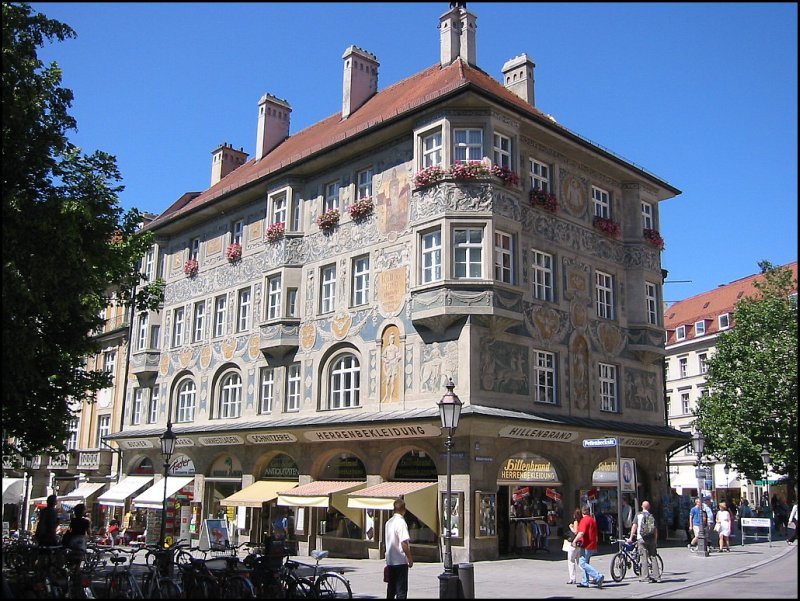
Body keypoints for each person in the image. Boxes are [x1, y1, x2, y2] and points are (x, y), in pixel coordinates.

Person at [384, 498, 413, 599]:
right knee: (401, 591)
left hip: (391, 561)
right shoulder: (401, 522)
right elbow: (404, 542)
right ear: (403, 510)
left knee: (391, 590)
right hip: (400, 561)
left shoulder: (388, 523)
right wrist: (409, 558)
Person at [571, 505, 605, 589]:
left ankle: (597, 576)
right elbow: (596, 534)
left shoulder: (584, 520)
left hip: (586, 544)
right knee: (586, 563)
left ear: (582, 512)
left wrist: (574, 541)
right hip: (592, 544)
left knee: (582, 563)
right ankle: (585, 581)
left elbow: (581, 533)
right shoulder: (592, 520)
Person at [628, 500, 661, 583]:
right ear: (649, 507)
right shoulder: (651, 516)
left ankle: (645, 577)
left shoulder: (638, 515)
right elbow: (655, 530)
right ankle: (657, 577)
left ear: (642, 506)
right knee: (653, 556)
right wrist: (655, 540)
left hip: (641, 539)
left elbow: (634, 527)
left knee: (644, 557)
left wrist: (631, 538)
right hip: (651, 539)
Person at [563, 508, 582, 585]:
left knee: (571, 561)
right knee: (579, 562)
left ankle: (572, 578)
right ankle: (588, 575)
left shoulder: (576, 522)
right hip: (579, 544)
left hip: (573, 543)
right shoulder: (582, 521)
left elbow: (575, 531)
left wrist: (571, 527)